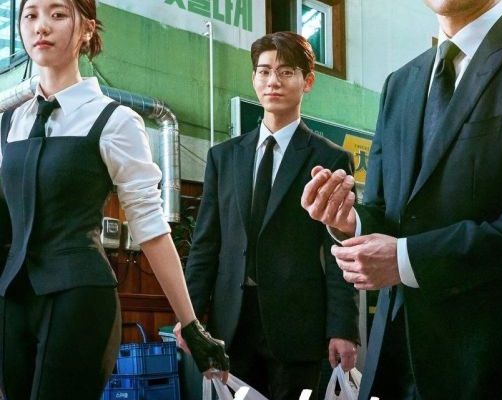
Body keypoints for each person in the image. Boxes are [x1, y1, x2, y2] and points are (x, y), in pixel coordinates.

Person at [301, 0, 502, 399]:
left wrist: (409, 260)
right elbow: (390, 212)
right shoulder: (400, 82)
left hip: (494, 362)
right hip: (399, 357)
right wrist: (350, 222)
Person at [0, 0, 228, 398]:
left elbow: (151, 228)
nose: (41, 26)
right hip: (12, 303)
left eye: (57, 14)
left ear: (87, 29)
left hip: (79, 300)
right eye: (30, 15)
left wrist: (190, 323)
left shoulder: (115, 120)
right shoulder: (9, 122)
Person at [174, 31, 359, 399]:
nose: (273, 81)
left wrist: (343, 328)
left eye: (286, 72)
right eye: (264, 71)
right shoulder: (223, 157)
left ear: (308, 81)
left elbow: (340, 250)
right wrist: (189, 317)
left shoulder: (329, 158)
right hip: (231, 322)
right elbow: (206, 246)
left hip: (298, 324)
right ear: (254, 78)